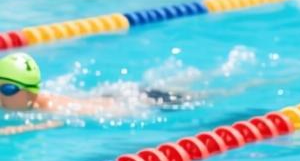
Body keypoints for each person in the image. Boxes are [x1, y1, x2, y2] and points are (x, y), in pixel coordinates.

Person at [0, 51, 188, 131]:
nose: (1, 95)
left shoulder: (51, 108)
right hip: (118, 95)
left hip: (142, 104)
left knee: (201, 95)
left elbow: (40, 126)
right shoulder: (31, 101)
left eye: (7, 89)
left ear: (31, 92)